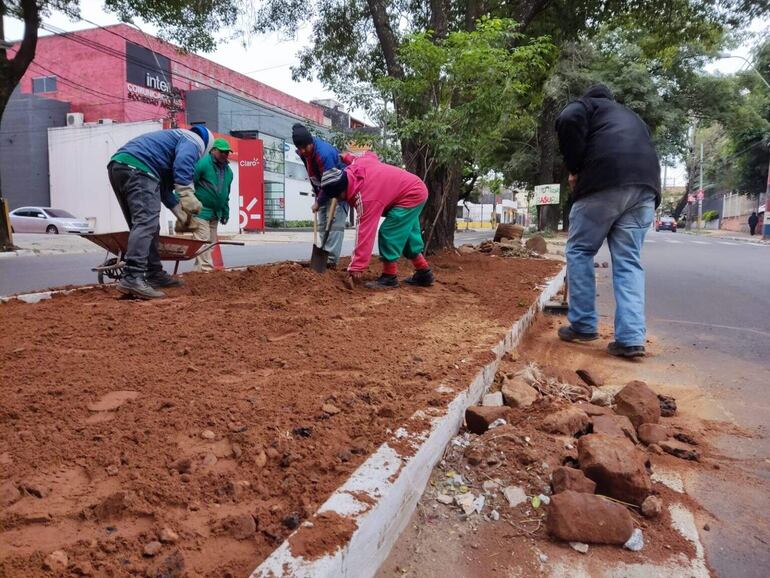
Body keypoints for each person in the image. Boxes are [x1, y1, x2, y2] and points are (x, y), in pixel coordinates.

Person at [555, 84, 660, 358]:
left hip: (603, 182)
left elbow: (567, 119)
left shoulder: (585, 106)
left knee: (580, 250)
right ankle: (631, 339)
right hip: (646, 188)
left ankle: (583, 325)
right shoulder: (631, 116)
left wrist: (575, 168)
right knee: (629, 262)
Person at [107, 125, 213, 299]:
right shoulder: (194, 140)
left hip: (120, 166)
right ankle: (132, 276)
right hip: (138, 168)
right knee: (146, 224)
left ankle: (153, 273)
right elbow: (184, 161)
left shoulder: (170, 143)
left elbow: (163, 191)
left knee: (146, 225)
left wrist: (181, 213)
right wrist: (186, 191)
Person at [318, 152, 434, 289]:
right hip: (412, 186)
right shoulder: (355, 166)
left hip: (411, 194)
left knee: (389, 232)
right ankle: (424, 273)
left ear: (341, 191)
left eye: (337, 197)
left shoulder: (366, 198)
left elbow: (365, 233)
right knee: (407, 234)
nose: (338, 200)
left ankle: (389, 276)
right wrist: (346, 156)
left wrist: (357, 266)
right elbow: (369, 155)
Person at [291, 123, 350, 268]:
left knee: (335, 224)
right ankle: (323, 255)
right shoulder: (304, 154)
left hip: (338, 188)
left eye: (305, 147)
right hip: (323, 189)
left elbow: (330, 183)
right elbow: (315, 177)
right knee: (323, 223)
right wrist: (318, 198)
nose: (303, 151)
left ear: (311, 142)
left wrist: (319, 201)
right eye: (300, 148)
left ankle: (330, 261)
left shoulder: (324, 153)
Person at [191, 138, 234, 271]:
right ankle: (206, 270)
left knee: (210, 242)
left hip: (215, 213)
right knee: (203, 240)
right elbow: (188, 182)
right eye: (222, 152)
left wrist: (225, 212)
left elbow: (226, 194)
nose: (225, 155)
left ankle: (199, 271)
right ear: (213, 150)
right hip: (200, 211)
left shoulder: (228, 172)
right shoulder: (203, 164)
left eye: (227, 153)